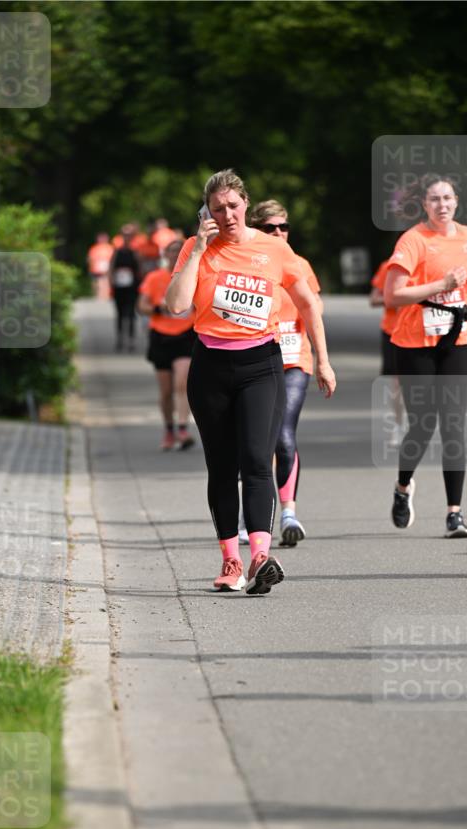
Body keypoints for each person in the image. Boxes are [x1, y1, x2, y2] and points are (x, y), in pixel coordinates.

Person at [165, 169, 336, 595]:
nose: (227, 215)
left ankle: (261, 555)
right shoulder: (196, 248)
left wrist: (324, 361)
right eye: (217, 208)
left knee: (259, 460)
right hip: (211, 367)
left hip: (262, 364)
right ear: (207, 211)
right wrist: (199, 249)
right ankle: (230, 560)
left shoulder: (274, 249)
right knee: (222, 467)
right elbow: (177, 306)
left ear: (246, 204)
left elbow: (308, 303)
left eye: (233, 206)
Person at [384, 173, 467, 537]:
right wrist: (440, 285)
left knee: (453, 424)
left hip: (461, 338)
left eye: (447, 198)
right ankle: (403, 488)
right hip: (416, 341)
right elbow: (394, 295)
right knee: (422, 424)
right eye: (435, 200)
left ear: (457, 202)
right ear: (424, 205)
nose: (442, 205)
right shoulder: (414, 239)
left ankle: (455, 513)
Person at [244, 199, 324, 547]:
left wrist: (324, 361)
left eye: (283, 227)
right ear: (256, 230)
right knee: (252, 440)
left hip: (294, 360)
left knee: (283, 433)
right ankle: (252, 516)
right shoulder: (247, 262)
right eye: (269, 228)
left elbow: (313, 311)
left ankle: (289, 511)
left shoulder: (300, 264)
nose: (278, 233)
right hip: (257, 358)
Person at [137, 238, 196, 451]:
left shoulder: (193, 277)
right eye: (172, 251)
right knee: (166, 391)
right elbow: (141, 305)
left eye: (180, 251)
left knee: (182, 382)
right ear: (166, 256)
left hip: (186, 335)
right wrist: (157, 309)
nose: (175, 255)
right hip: (161, 336)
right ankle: (169, 430)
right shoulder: (155, 278)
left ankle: (182, 428)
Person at [369, 258, 404, 445]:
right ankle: (398, 426)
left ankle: (420, 426)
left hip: (421, 332)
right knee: (397, 383)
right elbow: (373, 299)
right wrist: (394, 299)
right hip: (393, 332)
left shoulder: (428, 262)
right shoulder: (388, 267)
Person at [109, 237, 140, 352]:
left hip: (131, 288)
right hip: (119, 288)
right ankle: (120, 338)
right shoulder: (117, 253)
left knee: (131, 313)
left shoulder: (134, 253)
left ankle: (131, 339)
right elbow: (111, 267)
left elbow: (139, 269)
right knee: (120, 313)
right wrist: (111, 281)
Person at [86, 233, 114, 299]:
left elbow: (113, 259)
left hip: (106, 269)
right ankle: (99, 295)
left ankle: (104, 296)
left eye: (103, 238)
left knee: (104, 282)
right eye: (100, 238)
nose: (102, 240)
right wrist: (90, 267)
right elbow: (90, 258)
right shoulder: (94, 248)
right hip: (95, 269)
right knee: (97, 283)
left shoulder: (110, 248)